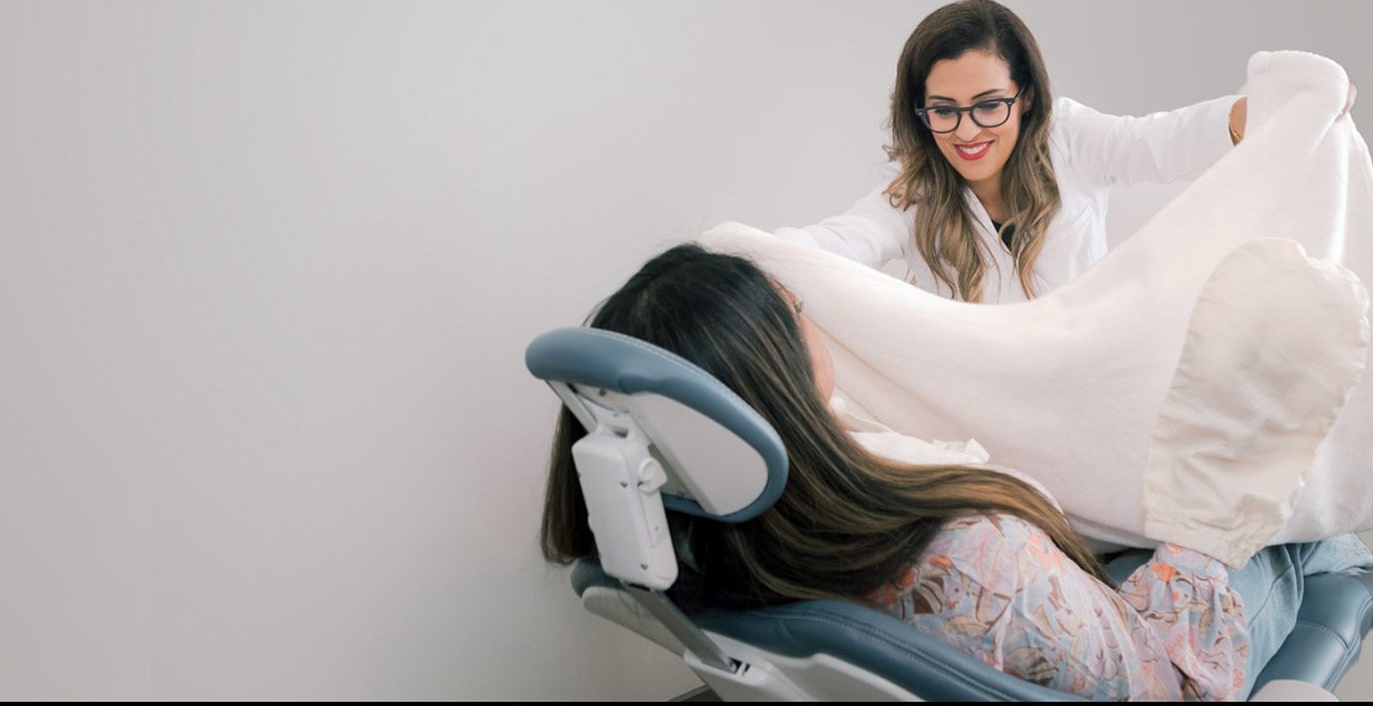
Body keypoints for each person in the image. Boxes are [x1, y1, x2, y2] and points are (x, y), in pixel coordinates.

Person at [538, 244, 1373, 700]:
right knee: (1319, 544)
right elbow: (1158, 682)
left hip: (1050, 641)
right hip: (1155, 671)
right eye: (795, 310)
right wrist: (1201, 542)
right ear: (777, 376)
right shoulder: (973, 557)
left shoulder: (699, 552)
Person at [777, 0, 1354, 303]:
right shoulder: (914, 191)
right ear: (919, 112)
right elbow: (840, 240)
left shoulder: (1071, 138)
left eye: (988, 104)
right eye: (944, 111)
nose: (967, 131)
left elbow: (1169, 140)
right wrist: (749, 256)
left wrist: (1293, 103)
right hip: (987, 406)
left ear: (1025, 97)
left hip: (1090, 380)